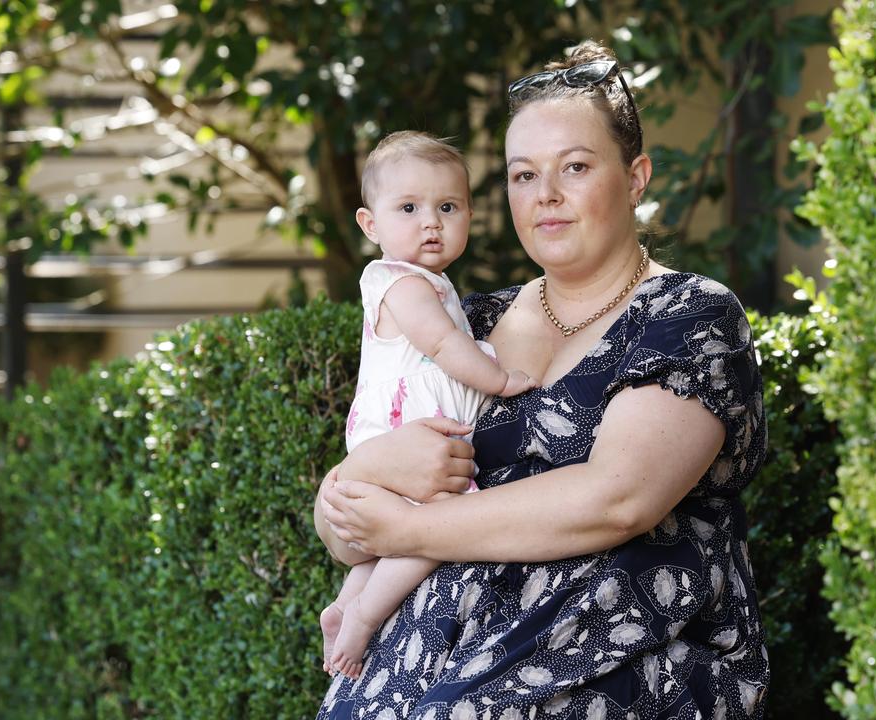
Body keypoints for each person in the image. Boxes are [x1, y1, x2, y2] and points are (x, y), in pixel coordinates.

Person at [314, 40, 769, 719]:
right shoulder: (465, 323)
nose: (546, 196)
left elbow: (616, 500)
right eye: (523, 176)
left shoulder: (688, 314)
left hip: (619, 655)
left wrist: (407, 531)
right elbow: (350, 532)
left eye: (576, 167)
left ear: (637, 175)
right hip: (430, 657)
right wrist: (357, 480)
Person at [318, 131, 537, 679]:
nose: (431, 222)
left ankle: (345, 606)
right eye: (409, 208)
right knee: (437, 523)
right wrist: (500, 378)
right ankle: (366, 617)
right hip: (405, 431)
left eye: (447, 207)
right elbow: (442, 345)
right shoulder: (402, 283)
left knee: (398, 530)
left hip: (403, 429)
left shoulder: (431, 284)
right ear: (371, 225)